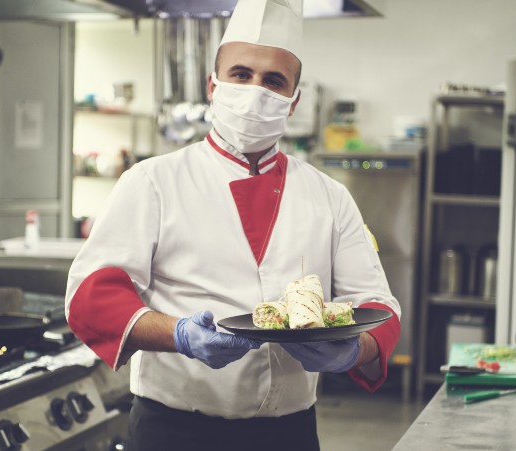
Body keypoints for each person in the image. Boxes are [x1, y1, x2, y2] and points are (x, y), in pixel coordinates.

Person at [65, 0, 401, 449]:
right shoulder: (152, 182)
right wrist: (178, 335)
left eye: (274, 81)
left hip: (289, 435)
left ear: (293, 101)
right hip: (175, 431)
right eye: (241, 74)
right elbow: (91, 296)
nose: (255, 90)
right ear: (214, 85)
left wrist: (352, 351)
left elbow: (380, 305)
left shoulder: (330, 197)